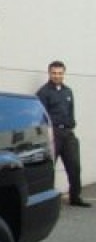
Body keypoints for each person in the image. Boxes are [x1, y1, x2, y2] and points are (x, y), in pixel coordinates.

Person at [37, 60, 89, 207]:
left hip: (68, 134)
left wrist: (72, 126)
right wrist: (48, 135)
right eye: (54, 73)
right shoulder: (43, 92)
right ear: (49, 73)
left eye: (60, 73)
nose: (57, 76)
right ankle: (45, 201)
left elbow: (71, 111)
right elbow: (41, 116)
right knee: (49, 168)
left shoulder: (68, 91)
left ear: (64, 73)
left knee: (74, 166)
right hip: (53, 135)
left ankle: (75, 197)